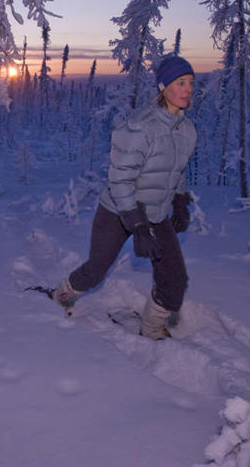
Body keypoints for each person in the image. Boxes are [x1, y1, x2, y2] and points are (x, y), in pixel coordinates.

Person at [52, 55, 197, 340]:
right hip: (117, 212)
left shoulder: (187, 130)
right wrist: (138, 226)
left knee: (175, 279)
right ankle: (62, 296)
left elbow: (175, 170)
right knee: (95, 271)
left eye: (191, 83)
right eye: (181, 83)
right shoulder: (140, 127)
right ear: (163, 87)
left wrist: (180, 201)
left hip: (155, 214)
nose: (188, 89)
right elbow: (120, 180)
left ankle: (152, 327)